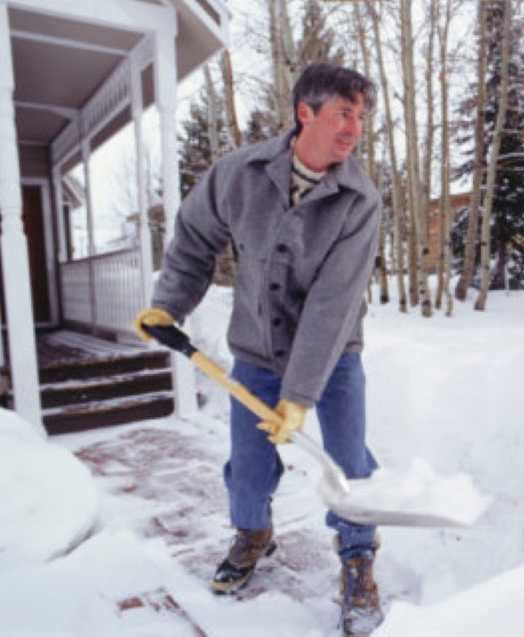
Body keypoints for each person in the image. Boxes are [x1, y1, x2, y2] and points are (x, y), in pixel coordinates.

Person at [133, 62, 383, 635]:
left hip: (335, 351)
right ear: (306, 113)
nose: (354, 129)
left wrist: (299, 395)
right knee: (247, 466)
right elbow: (195, 239)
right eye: (344, 114)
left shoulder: (359, 200)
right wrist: (169, 304)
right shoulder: (239, 175)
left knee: (349, 463)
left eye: (361, 117)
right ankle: (252, 533)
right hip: (257, 347)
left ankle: (357, 556)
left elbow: (331, 303)